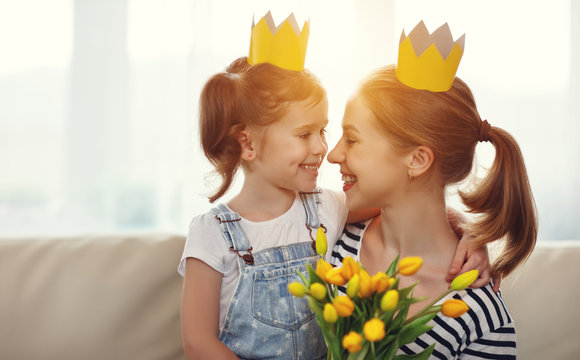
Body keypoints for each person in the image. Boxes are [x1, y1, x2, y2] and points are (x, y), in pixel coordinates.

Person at [179, 15, 494, 360]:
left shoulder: (328, 209)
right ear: (248, 144)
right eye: (304, 134)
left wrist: (467, 234)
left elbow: (410, 202)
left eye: (323, 131)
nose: (324, 150)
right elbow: (197, 343)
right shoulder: (212, 232)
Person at [328, 22, 537, 359]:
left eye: (351, 139)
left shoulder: (481, 317)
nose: (333, 154)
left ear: (417, 160)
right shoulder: (326, 242)